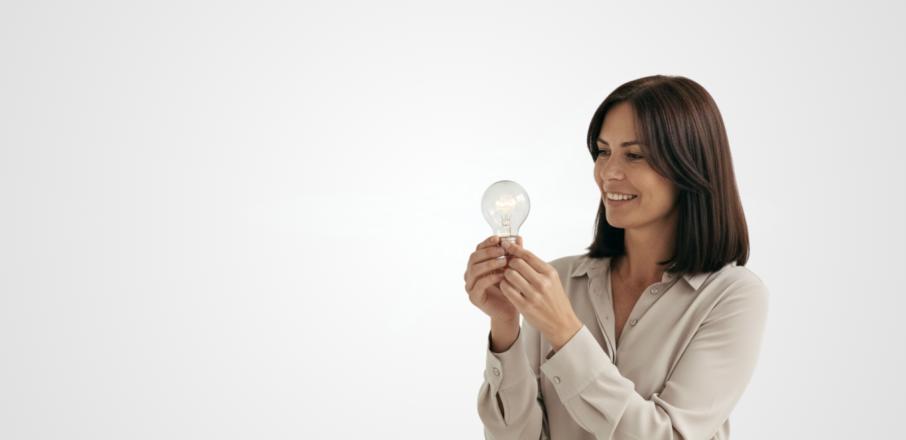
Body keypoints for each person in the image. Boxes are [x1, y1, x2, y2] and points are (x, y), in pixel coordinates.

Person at [463, 75, 769, 440]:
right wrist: (505, 327)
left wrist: (565, 332)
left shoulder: (733, 298)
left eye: (634, 155)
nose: (608, 173)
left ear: (690, 166)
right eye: (603, 151)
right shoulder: (559, 281)